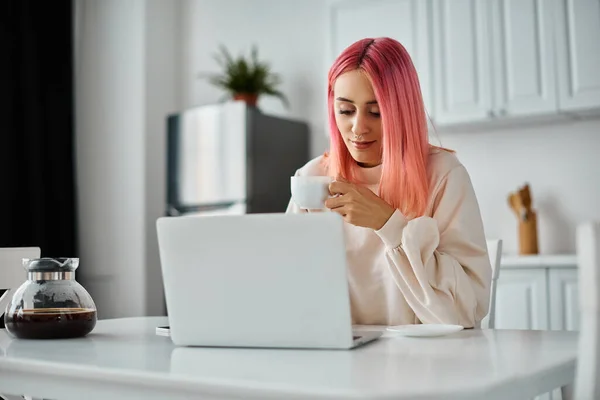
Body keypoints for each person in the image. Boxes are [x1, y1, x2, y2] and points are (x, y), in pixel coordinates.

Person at [286, 37, 492, 328]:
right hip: (339, 360)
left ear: (401, 110)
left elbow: (465, 312)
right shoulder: (312, 179)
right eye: (345, 111)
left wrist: (389, 224)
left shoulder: (444, 175)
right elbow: (286, 291)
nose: (358, 128)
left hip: (429, 363)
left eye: (376, 112)